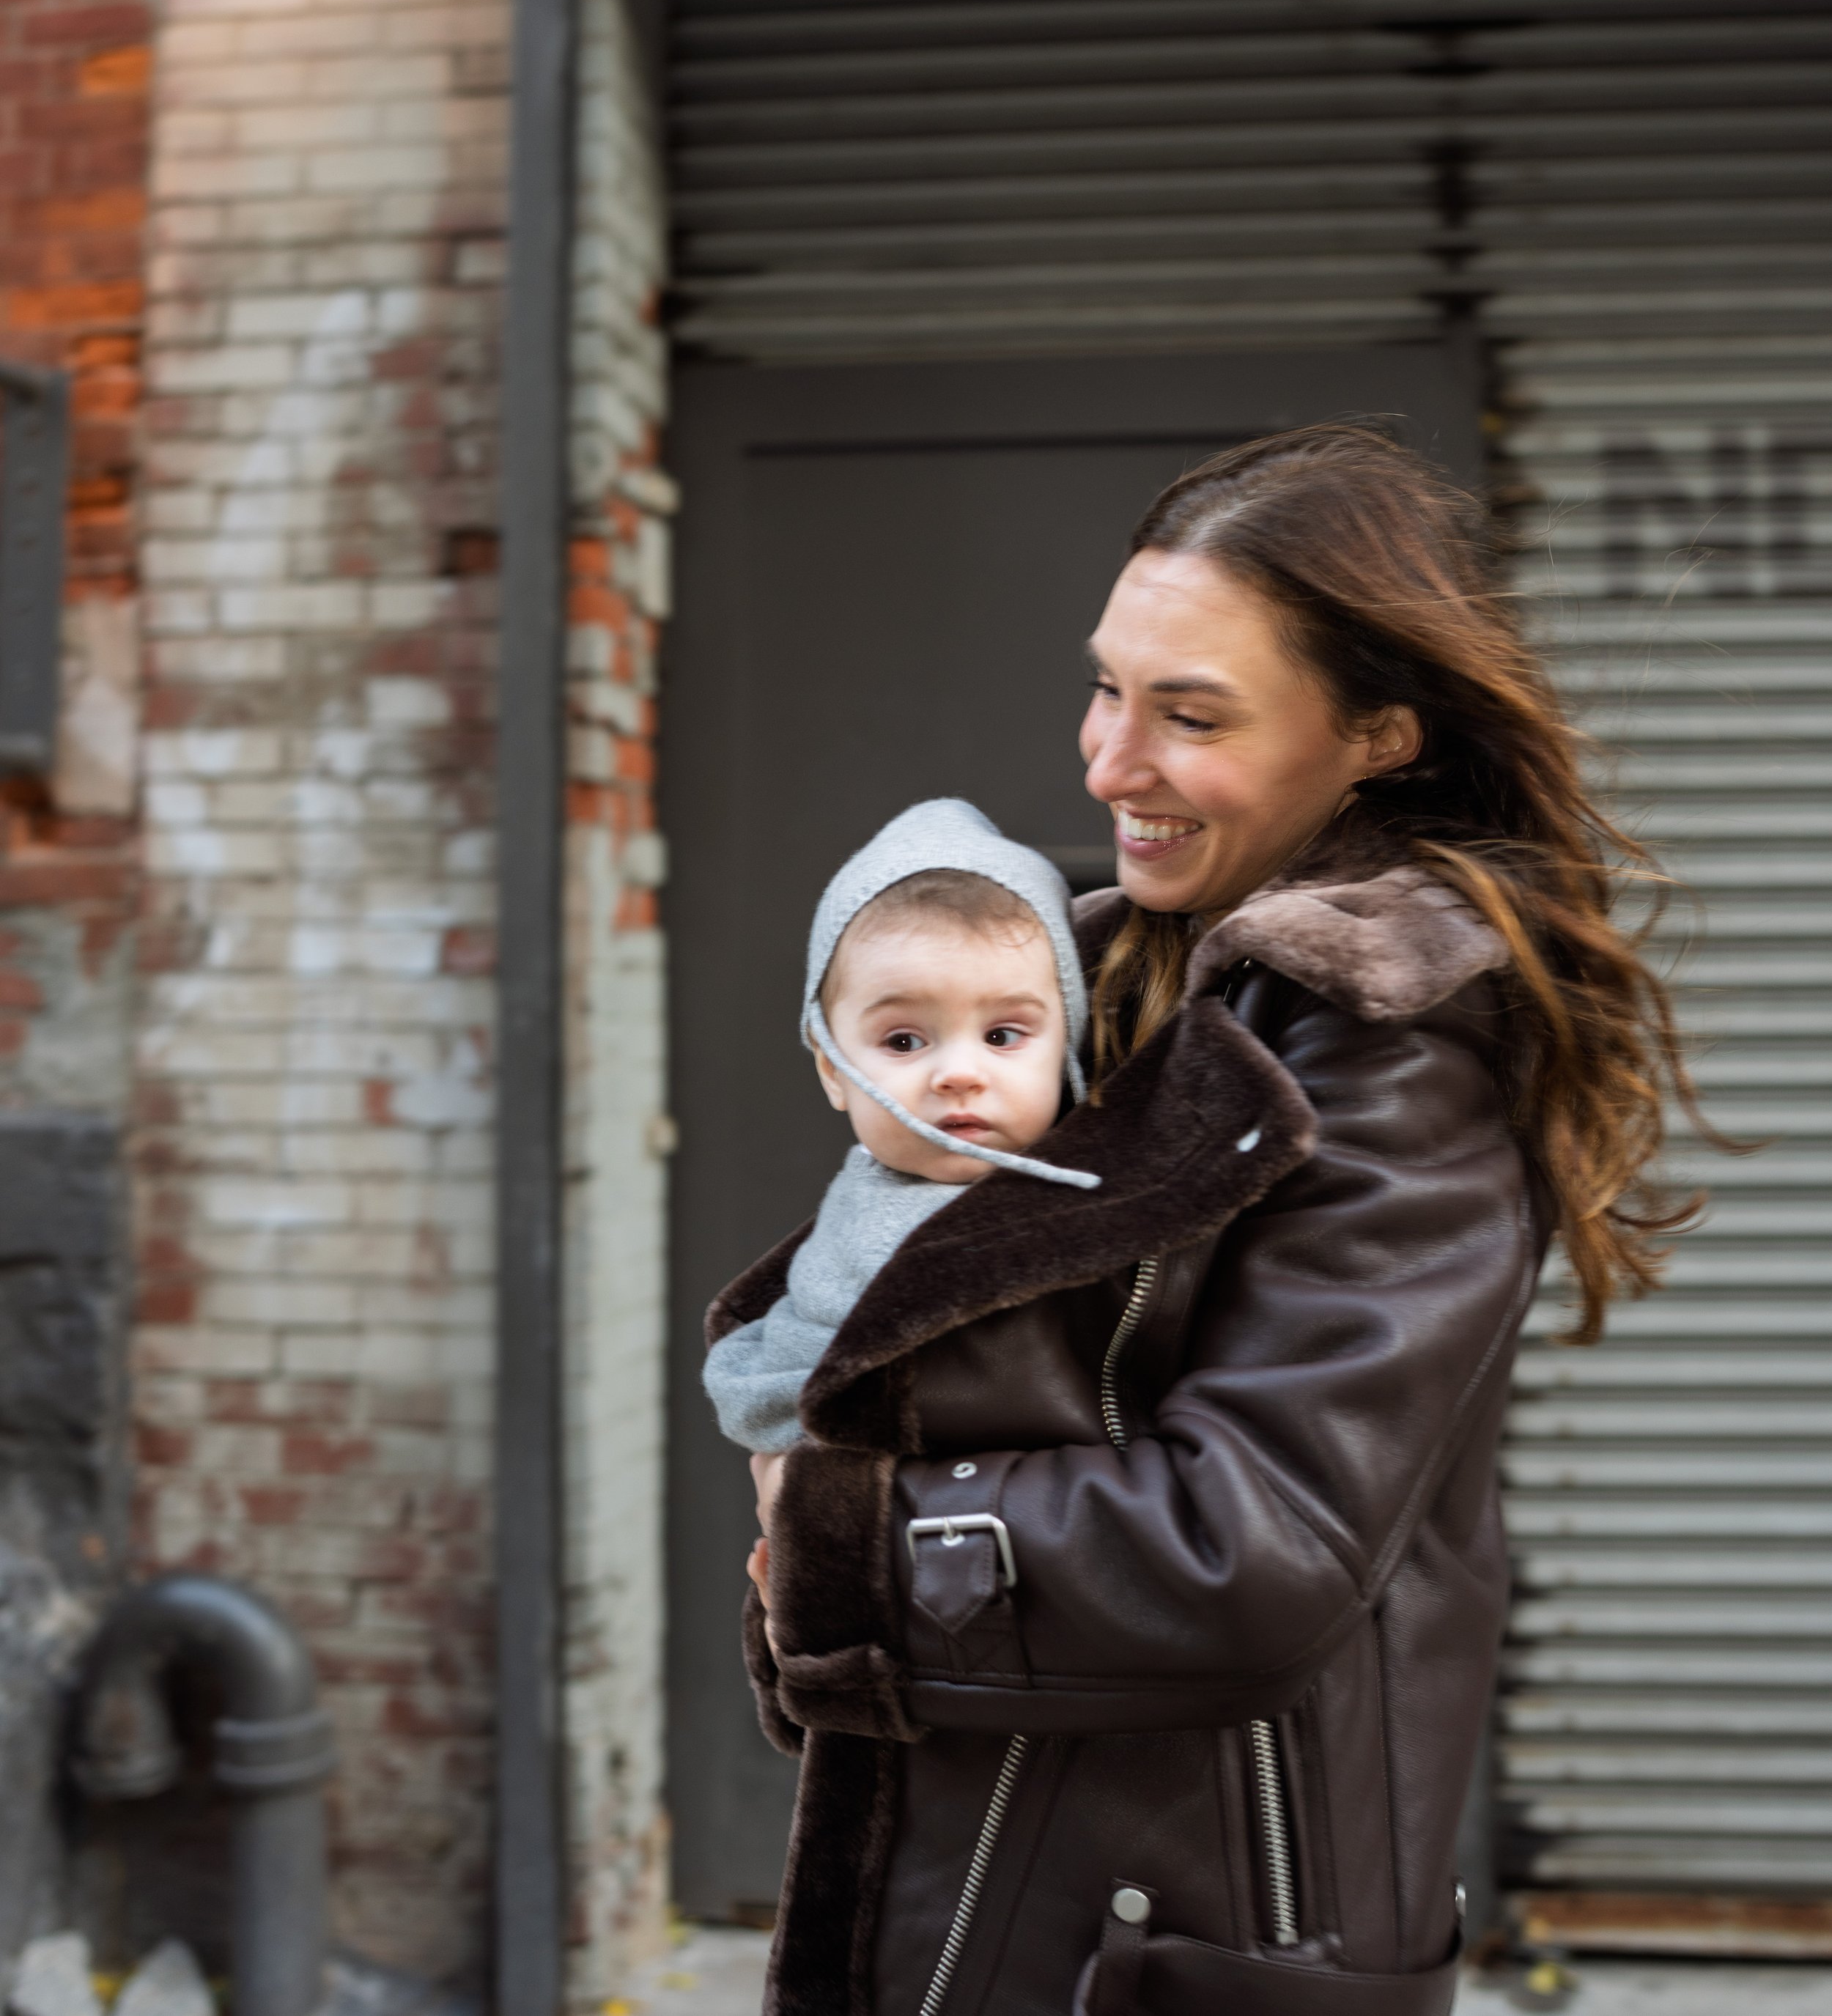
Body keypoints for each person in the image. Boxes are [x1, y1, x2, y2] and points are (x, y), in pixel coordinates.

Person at [706, 424, 1708, 2016]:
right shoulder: (1094, 982)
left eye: (1190, 714)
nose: (1107, 761)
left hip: (1195, 1932)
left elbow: (1254, 1545)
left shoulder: (1389, 1029)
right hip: (1039, 1870)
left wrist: (841, 1545)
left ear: (1375, 731)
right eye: (1109, 686)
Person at [702, 799, 1104, 1600]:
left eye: (1003, 1035)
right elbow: (773, 1388)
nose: (959, 1072)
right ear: (830, 1067)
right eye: (904, 1041)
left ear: (1070, 1041)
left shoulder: (1110, 1208)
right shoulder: (847, 1237)